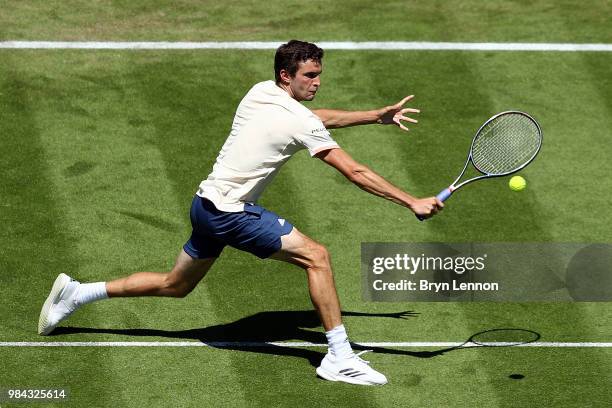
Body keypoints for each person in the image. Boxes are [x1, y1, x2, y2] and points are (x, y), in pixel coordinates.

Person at [38, 40, 443, 386]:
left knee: (175, 285)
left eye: (319, 74)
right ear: (287, 76)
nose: (317, 82)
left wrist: (375, 116)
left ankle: (78, 292)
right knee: (317, 256)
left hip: (205, 205)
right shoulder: (297, 118)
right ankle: (339, 356)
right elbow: (354, 170)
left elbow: (316, 119)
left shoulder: (261, 92)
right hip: (231, 213)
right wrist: (412, 201)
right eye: (309, 76)